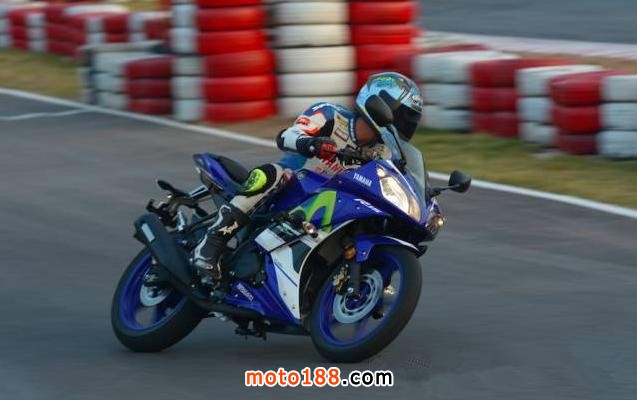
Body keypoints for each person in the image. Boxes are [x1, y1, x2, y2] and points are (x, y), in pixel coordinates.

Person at [192, 72, 423, 283]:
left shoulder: (383, 153)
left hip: (330, 205)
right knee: (273, 174)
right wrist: (311, 143)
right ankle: (211, 243)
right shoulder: (331, 115)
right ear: (378, 106)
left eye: (410, 120)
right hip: (292, 188)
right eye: (402, 116)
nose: (405, 126)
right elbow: (287, 136)